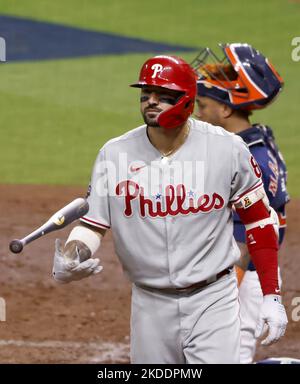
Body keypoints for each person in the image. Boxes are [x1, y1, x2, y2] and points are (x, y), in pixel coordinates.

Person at [52, 54, 288, 364]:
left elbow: (258, 222)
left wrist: (271, 295)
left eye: (163, 96)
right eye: (145, 95)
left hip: (213, 300)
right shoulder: (114, 154)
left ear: (187, 101)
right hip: (149, 304)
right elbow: (93, 224)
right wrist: (72, 254)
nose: (151, 102)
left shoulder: (227, 149)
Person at [191, 43, 290, 363]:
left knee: (231, 352)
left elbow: (249, 233)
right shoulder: (251, 139)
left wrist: (225, 289)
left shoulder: (251, 158)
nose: (196, 112)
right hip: (230, 262)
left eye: (202, 105)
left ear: (225, 110)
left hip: (245, 268)